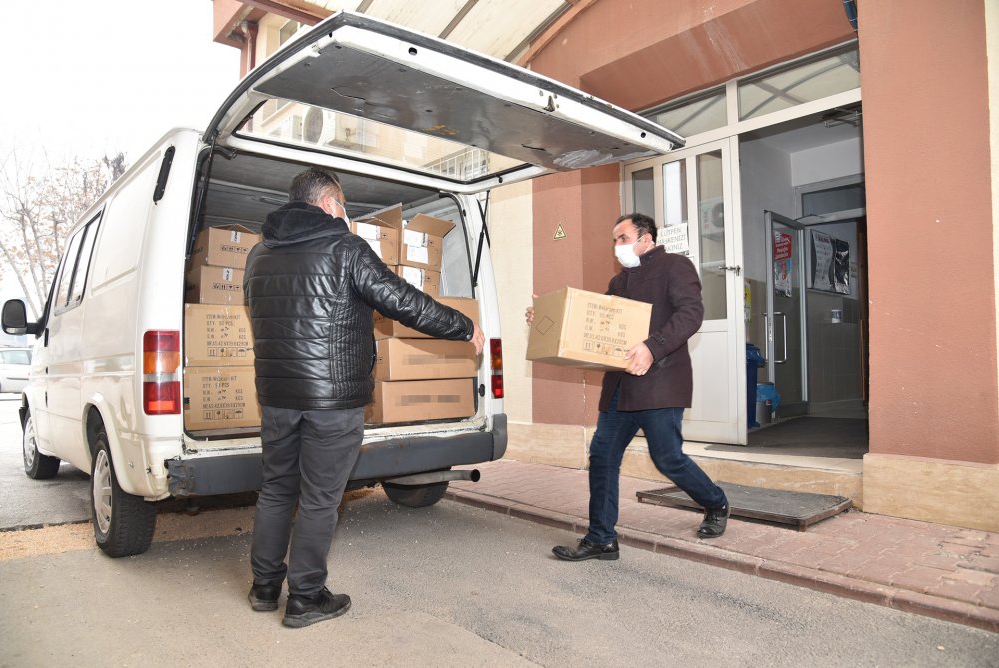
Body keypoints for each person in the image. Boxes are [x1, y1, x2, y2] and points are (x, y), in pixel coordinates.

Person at [243, 167, 485, 627]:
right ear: (330, 202)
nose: (345, 211)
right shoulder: (345, 248)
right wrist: (463, 326)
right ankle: (305, 598)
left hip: (275, 395)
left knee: (276, 489)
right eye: (343, 203)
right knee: (318, 498)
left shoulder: (259, 255)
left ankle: (264, 586)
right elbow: (403, 301)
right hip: (332, 399)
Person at [528, 213, 729, 562]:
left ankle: (716, 502)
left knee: (667, 458)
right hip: (620, 387)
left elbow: (691, 313)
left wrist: (652, 346)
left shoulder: (674, 266)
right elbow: (595, 321)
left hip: (659, 383)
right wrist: (548, 316)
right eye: (614, 241)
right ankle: (601, 538)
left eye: (622, 238)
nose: (616, 246)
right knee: (603, 456)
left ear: (646, 238)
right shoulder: (619, 282)